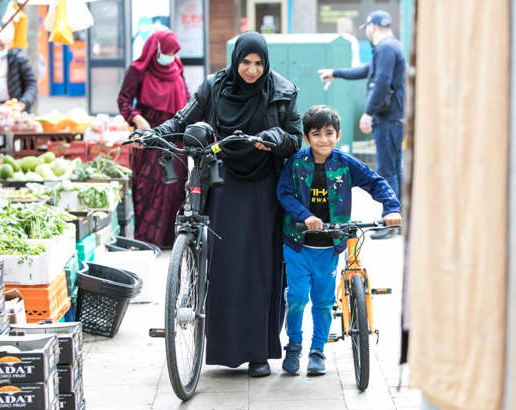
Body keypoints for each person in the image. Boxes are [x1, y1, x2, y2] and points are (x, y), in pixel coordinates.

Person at [149, 31, 302, 377]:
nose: (251, 70)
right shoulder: (213, 86)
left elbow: (295, 137)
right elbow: (182, 118)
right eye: (245, 62)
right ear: (235, 61)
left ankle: (259, 352)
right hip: (220, 180)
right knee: (223, 266)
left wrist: (276, 138)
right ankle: (226, 347)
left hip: (264, 187)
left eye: (258, 63)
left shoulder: (283, 90)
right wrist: (156, 133)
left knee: (261, 269)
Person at [276, 105, 402, 375]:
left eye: (329, 133)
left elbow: (376, 182)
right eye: (316, 134)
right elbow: (284, 193)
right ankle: (294, 345)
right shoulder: (297, 163)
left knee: (322, 300)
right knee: (297, 297)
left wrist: (391, 208)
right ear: (306, 137)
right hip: (298, 243)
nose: (323, 139)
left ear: (338, 134)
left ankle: (318, 350)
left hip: (329, 246)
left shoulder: (345, 164)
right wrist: (305, 215)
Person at [318, 10, 406, 239]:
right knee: (393, 170)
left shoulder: (386, 47)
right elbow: (367, 71)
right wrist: (335, 73)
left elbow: (382, 82)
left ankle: (391, 222)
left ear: (372, 27)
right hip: (392, 119)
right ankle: (396, 220)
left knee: (387, 171)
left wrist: (368, 113)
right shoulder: (390, 47)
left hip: (387, 119)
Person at [117, 29, 190, 248]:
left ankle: (170, 243)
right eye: (166, 51)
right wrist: (137, 120)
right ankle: (147, 244)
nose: (169, 56)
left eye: (173, 52)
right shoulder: (138, 70)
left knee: (174, 189)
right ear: (155, 48)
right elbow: (123, 100)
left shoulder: (177, 68)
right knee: (147, 192)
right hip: (148, 140)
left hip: (175, 139)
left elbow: (186, 99)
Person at [0, 26, 37, 112]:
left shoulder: (18, 58)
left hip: (9, 108)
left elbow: (31, 84)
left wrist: (24, 102)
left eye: (2, 45)